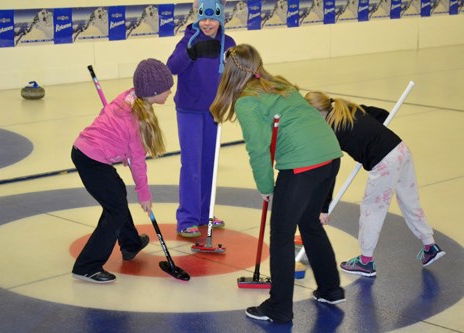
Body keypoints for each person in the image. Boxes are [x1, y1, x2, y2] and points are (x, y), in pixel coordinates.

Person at [210, 44, 345, 323]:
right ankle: (331, 289)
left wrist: (266, 187)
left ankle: (279, 308)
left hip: (302, 164)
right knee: (308, 223)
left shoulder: (247, 101)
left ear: (230, 74)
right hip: (330, 155)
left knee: (281, 236)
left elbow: (258, 149)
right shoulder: (279, 84)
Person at [304, 91, 446, 277]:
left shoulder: (330, 131)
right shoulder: (347, 108)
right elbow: (382, 114)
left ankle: (365, 262)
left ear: (316, 112)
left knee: (372, 210)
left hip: (384, 163)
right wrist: (367, 138)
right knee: (410, 200)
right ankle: (430, 245)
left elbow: (330, 171)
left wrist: (324, 207)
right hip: (400, 150)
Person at [71, 59, 174, 283]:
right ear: (154, 91)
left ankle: (130, 243)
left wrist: (119, 150)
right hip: (91, 159)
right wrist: (144, 194)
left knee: (117, 192)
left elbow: (105, 113)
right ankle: (87, 266)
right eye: (166, 88)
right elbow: (138, 162)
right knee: (115, 210)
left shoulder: (128, 96)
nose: (170, 92)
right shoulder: (136, 121)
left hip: (88, 154)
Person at [167, 0, 236, 238]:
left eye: (212, 17)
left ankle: (205, 213)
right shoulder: (189, 39)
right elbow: (171, 67)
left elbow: (235, 75)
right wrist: (190, 53)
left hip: (213, 113)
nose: (207, 23)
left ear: (221, 17)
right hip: (189, 111)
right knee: (192, 165)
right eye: (203, 18)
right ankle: (187, 218)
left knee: (209, 165)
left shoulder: (228, 43)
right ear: (197, 17)